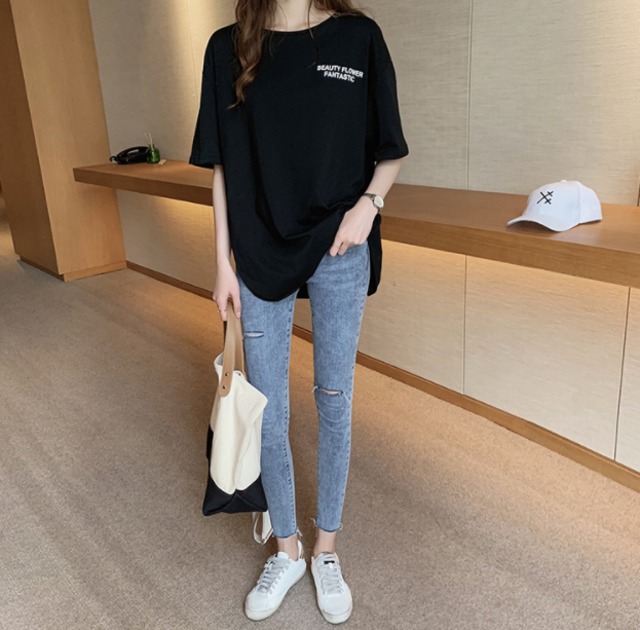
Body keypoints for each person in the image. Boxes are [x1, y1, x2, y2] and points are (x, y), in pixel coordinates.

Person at [189, 0, 408, 623]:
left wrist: (369, 205)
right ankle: (286, 549)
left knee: (334, 398)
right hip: (259, 250)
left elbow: (390, 148)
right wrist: (222, 263)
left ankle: (326, 549)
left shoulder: (359, 38)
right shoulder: (227, 47)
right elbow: (222, 167)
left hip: (341, 246)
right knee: (269, 409)